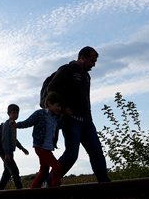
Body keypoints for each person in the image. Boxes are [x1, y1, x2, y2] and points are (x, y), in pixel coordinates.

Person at [47, 46, 110, 183]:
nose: (93, 65)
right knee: (71, 155)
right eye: (92, 61)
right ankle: (50, 182)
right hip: (71, 120)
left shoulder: (86, 76)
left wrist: (90, 117)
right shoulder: (67, 70)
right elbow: (51, 89)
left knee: (97, 153)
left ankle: (104, 184)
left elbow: (86, 98)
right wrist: (62, 109)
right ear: (82, 57)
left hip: (86, 120)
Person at [17, 93, 64, 188]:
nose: (59, 109)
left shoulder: (55, 117)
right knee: (57, 167)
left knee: (44, 171)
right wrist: (16, 125)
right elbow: (28, 122)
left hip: (47, 147)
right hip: (41, 147)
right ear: (49, 103)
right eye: (58, 106)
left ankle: (34, 191)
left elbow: (59, 126)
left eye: (60, 107)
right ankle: (56, 189)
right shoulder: (40, 113)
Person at [0, 104, 29, 190]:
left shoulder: (13, 125)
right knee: (15, 171)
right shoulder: (7, 125)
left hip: (9, 151)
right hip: (5, 151)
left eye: (17, 113)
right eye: (14, 113)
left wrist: (22, 148)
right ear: (8, 113)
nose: (16, 115)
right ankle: (19, 189)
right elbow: (5, 139)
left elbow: (14, 139)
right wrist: (6, 153)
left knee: (7, 173)